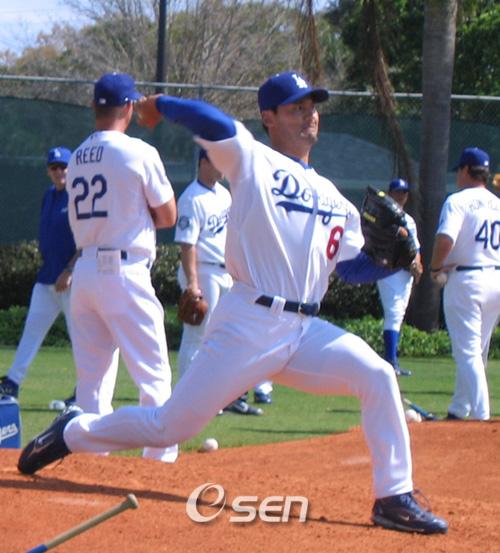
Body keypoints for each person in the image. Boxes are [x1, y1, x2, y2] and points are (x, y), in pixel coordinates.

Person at [18, 71, 448, 534]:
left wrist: (390, 262)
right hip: (247, 323)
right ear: (269, 117)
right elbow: (213, 121)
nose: (309, 115)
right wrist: (162, 105)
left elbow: (349, 268)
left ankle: (393, 497)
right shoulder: (252, 159)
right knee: (169, 427)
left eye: (312, 107)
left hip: (304, 331)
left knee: (377, 375)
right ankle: (73, 431)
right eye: (296, 108)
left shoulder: (334, 198)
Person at [61, 72, 179, 462]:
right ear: (129, 106)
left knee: (92, 382)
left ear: (94, 106)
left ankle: (91, 462)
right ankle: (159, 462)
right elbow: (168, 215)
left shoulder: (76, 156)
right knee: (154, 376)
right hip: (124, 271)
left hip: (85, 272)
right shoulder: (138, 152)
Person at [175, 149, 266, 414]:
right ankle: (188, 398)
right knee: (197, 335)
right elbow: (187, 245)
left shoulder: (224, 195)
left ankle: (226, 397)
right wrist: (192, 283)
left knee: (228, 337)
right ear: (204, 162)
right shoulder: (191, 198)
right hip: (204, 272)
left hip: (227, 272)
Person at [0, 147, 77, 401]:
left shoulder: (78, 196)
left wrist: (70, 270)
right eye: (54, 167)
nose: (59, 171)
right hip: (47, 278)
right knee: (32, 331)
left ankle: (85, 391)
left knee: (80, 338)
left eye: (63, 166)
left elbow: (86, 240)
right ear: (48, 171)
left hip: (72, 280)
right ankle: (12, 383)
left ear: (72, 168)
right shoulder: (49, 195)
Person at [430, 146, 500, 421]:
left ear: (466, 170)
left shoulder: (457, 201)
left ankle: (482, 417)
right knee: (477, 351)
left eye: (458, 170)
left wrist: (435, 267)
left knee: (468, 352)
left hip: (467, 281)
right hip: (495, 278)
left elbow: (445, 238)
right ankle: (459, 408)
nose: (457, 176)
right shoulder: (497, 203)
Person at [376, 179, 423, 377]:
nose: (401, 195)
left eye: (404, 192)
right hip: (390, 270)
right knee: (394, 313)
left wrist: (417, 265)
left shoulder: (408, 219)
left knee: (398, 313)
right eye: (397, 192)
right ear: (389, 193)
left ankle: (392, 360)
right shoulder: (384, 217)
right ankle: (390, 361)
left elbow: (415, 247)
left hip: (405, 272)